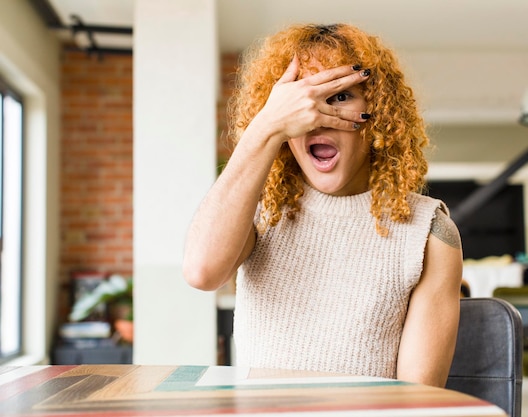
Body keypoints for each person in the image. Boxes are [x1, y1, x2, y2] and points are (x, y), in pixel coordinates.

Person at [182, 23, 463, 387]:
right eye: (297, 103)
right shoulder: (260, 211)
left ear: (376, 112)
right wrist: (265, 126)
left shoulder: (430, 234)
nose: (314, 118)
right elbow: (202, 272)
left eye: (340, 96)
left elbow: (415, 398)